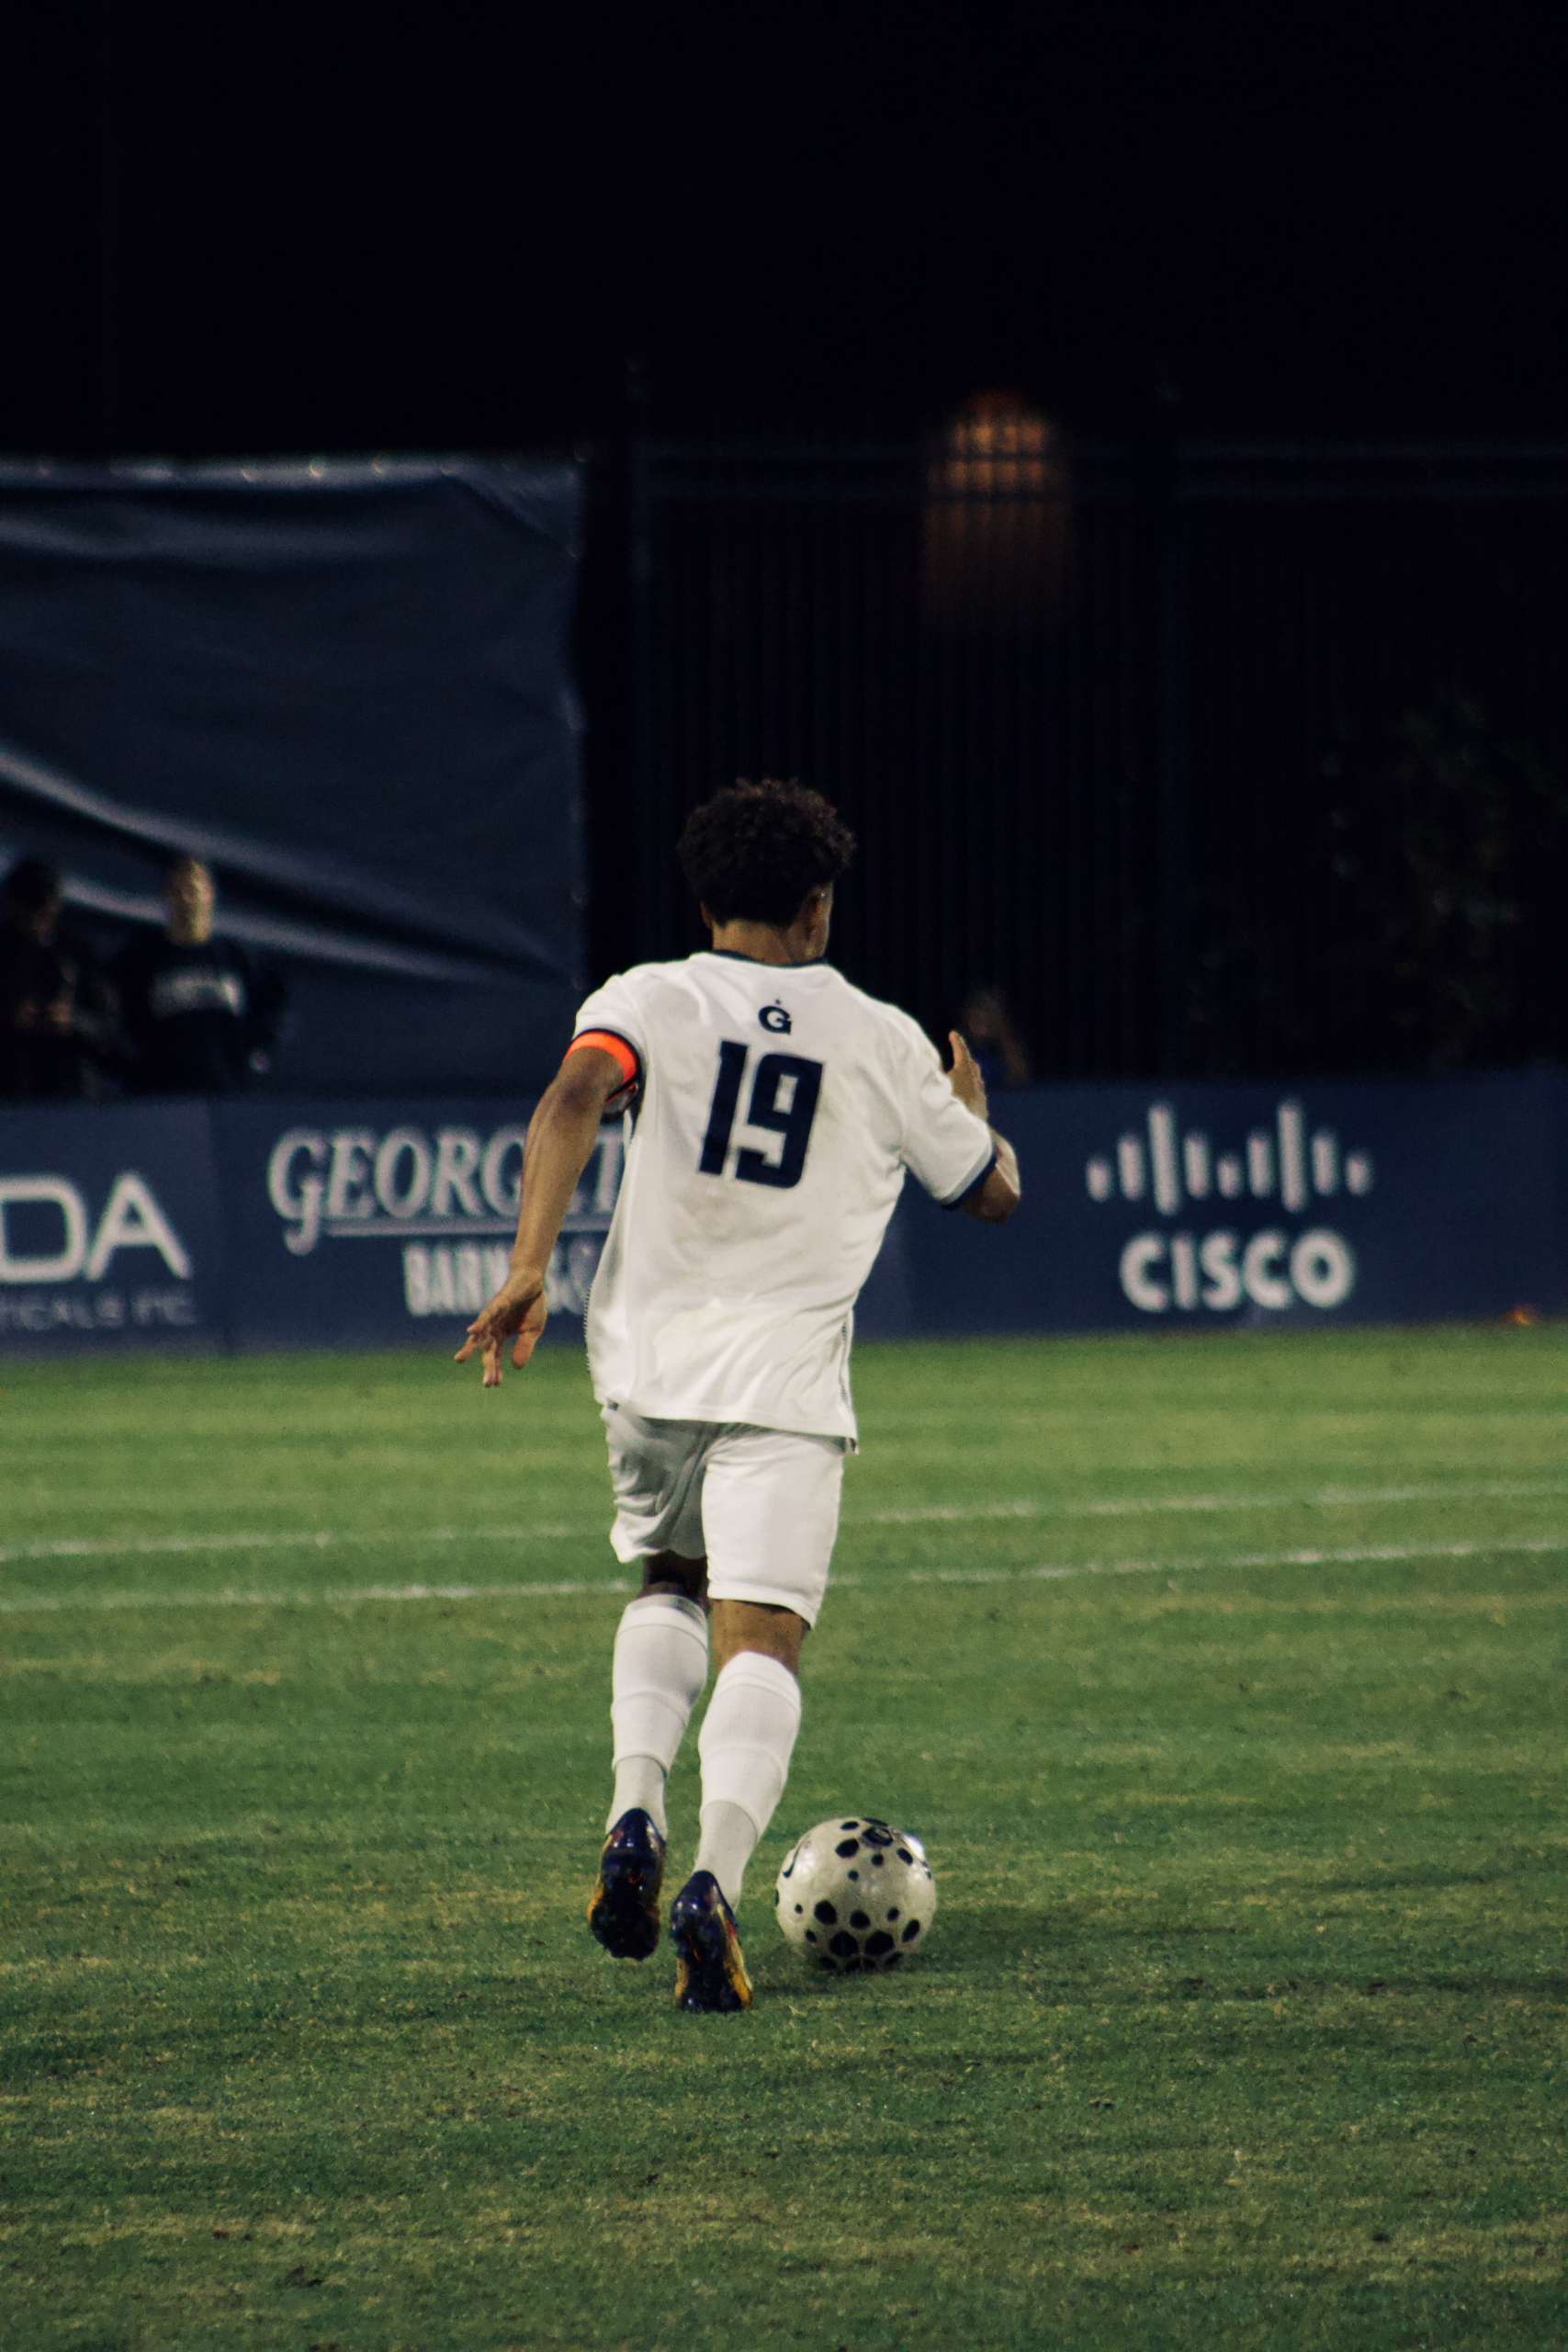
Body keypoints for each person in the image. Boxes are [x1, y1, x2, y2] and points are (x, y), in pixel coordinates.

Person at [457, 779, 1021, 2014]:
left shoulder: (646, 999)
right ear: (817, 907)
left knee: (667, 1579)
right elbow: (989, 1193)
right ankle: (710, 1879)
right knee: (758, 1640)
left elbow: (570, 1098)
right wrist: (974, 1122)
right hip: (783, 1383)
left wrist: (527, 1264)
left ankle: (633, 1809)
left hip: (646, 1368)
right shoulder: (877, 1034)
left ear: (704, 902)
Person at [114, 855, 285, 1093]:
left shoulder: (239, 959)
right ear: (166, 895)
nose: (187, 899)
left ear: (210, 894)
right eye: (178, 890)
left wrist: (254, 1055)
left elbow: (273, 1010)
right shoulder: (139, 961)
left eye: (194, 890)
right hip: (161, 1096)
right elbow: (116, 1024)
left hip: (227, 1092)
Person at [0, 857, 117, 1099]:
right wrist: (11, 1016)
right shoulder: (6, 953)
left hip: (72, 1091)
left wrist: (73, 1020)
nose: (38, 921)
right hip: (12, 1092)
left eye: (45, 910)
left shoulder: (78, 955)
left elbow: (108, 1027)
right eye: (31, 911)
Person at [956, 981, 1034, 1090]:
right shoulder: (951, 1048)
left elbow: (1021, 1083)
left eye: (990, 1010)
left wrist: (1004, 1037)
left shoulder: (1006, 1050)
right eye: (979, 1007)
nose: (981, 1016)